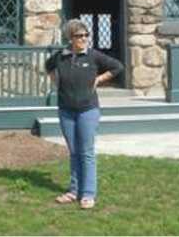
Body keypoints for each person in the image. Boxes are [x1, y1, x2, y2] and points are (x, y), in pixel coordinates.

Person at [44, 18, 124, 210]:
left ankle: (88, 194)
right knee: (74, 152)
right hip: (66, 110)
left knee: (86, 152)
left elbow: (117, 67)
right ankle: (74, 191)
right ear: (70, 38)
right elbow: (48, 67)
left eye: (86, 35)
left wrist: (99, 79)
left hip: (88, 110)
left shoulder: (93, 55)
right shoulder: (60, 56)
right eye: (79, 36)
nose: (84, 39)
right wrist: (57, 82)